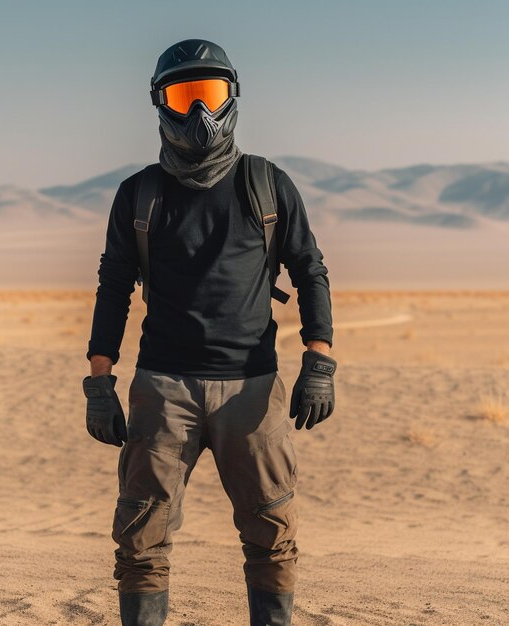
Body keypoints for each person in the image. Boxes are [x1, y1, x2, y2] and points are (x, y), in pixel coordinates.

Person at [83, 39, 337, 626]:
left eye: (211, 95)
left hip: (253, 389)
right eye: (185, 95)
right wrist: (99, 382)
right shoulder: (139, 194)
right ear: (160, 104)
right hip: (163, 390)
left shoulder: (267, 184)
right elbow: (112, 286)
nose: (200, 112)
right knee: (140, 538)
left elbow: (311, 269)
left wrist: (319, 362)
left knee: (272, 533)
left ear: (232, 99)